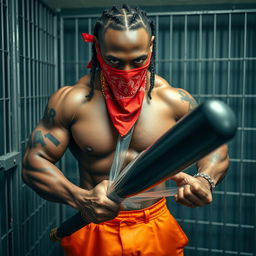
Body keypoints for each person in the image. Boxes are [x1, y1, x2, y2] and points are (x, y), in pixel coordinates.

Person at [22, 5, 229, 256]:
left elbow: (214, 145)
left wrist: (205, 179)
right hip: (95, 225)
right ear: (97, 48)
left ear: (151, 46)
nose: (127, 72)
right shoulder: (72, 101)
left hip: (153, 223)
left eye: (138, 60)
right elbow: (34, 162)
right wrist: (80, 198)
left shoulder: (173, 100)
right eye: (114, 61)